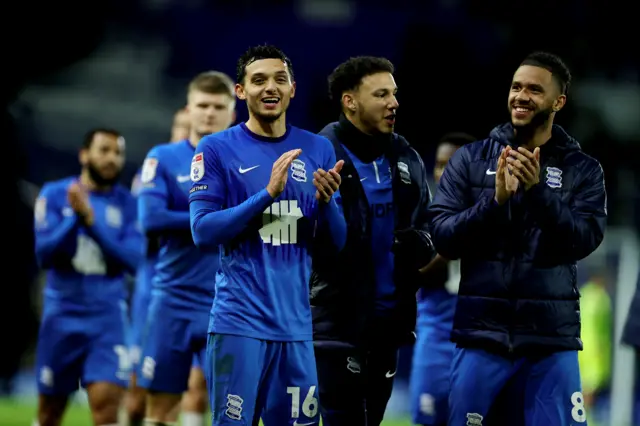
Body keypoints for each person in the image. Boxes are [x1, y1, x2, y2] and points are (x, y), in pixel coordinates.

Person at [428, 51, 607, 426]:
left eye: (534, 90)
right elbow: (442, 237)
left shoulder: (584, 170)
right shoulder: (469, 160)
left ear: (558, 102)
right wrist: (495, 201)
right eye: (516, 87)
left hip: (550, 344)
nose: (521, 96)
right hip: (482, 338)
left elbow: (584, 240)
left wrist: (538, 192)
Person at [189, 44, 346, 426]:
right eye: (258, 80)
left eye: (280, 79)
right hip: (239, 323)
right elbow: (202, 230)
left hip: (296, 328)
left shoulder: (318, 149)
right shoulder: (215, 148)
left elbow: (335, 244)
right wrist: (267, 194)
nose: (269, 87)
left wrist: (327, 203)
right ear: (240, 92)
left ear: (293, 88)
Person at [310, 56, 435, 426]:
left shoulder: (406, 156)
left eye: (394, 94)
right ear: (350, 102)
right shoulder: (319, 153)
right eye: (381, 94)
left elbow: (428, 222)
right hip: (336, 321)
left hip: (387, 324)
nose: (393, 103)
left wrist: (422, 242)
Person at [136, 71, 237, 426]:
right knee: (160, 411)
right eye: (202, 105)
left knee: (232, 412)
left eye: (218, 106)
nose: (209, 113)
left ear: (232, 112)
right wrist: (212, 220)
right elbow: (151, 219)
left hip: (228, 302)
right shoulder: (162, 158)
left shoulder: (247, 161)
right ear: (188, 110)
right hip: (173, 301)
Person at [34, 128, 142, 426]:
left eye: (118, 153)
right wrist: (75, 220)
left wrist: (91, 223)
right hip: (61, 316)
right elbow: (44, 255)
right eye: (104, 150)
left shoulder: (129, 204)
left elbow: (134, 260)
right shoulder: (56, 195)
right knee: (48, 414)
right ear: (85, 154)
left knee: (107, 413)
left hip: (107, 319)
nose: (112, 159)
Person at [126, 107, 209, 426]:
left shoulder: (215, 174)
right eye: (183, 128)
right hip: (156, 294)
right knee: (138, 395)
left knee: (197, 387)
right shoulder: (153, 174)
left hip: (203, 294)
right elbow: (146, 230)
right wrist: (205, 220)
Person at [409, 132, 475, 426]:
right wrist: (453, 242)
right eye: (439, 164)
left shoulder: (497, 213)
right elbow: (415, 276)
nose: (444, 172)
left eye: (454, 164)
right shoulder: (422, 215)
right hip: (435, 337)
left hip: (480, 341)